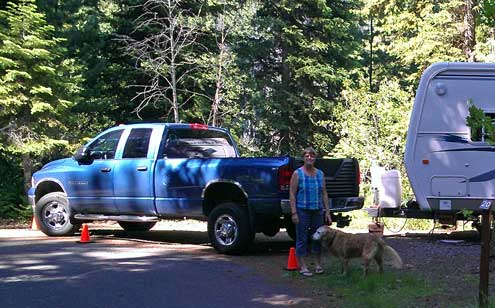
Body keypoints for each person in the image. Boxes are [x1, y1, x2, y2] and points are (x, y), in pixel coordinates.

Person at [289, 147, 332, 276]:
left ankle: (318, 265)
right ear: (303, 158)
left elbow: (324, 193)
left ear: (315, 158)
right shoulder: (298, 173)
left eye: (312, 156)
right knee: (302, 238)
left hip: (317, 210)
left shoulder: (320, 174)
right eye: (307, 156)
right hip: (302, 210)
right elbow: (292, 193)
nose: (309, 158)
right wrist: (294, 212)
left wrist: (327, 212)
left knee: (318, 238)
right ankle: (303, 266)